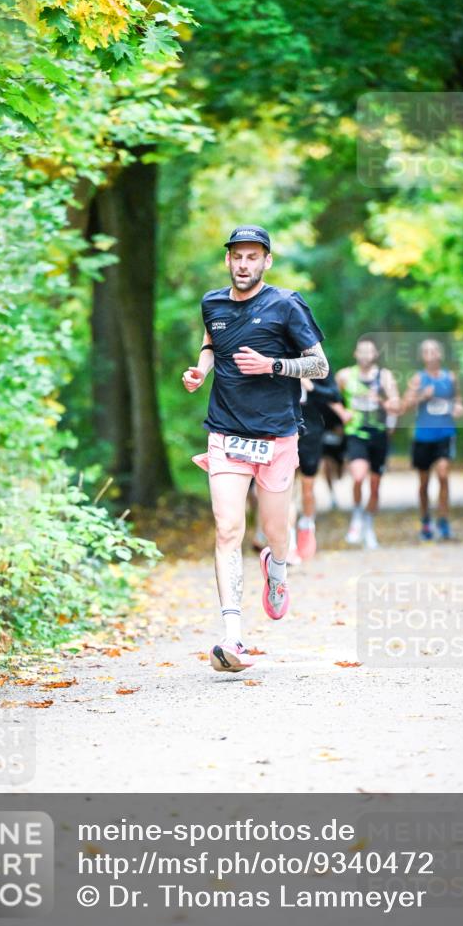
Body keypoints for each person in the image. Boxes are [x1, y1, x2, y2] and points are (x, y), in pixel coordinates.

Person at [182, 225, 328, 673]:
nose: (244, 264)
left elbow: (320, 365)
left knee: (274, 532)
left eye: (253, 257)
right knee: (228, 531)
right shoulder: (213, 303)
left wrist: (273, 365)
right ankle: (232, 638)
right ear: (228, 260)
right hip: (225, 433)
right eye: (237, 257)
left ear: (267, 261)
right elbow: (212, 342)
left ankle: (276, 568)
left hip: (277, 435)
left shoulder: (286, 304)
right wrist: (201, 370)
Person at [334, 338, 400, 550]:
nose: (365, 355)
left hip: (378, 434)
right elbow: (332, 397)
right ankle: (357, 517)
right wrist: (341, 414)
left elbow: (396, 404)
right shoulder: (345, 376)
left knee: (374, 484)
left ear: (375, 355)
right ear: (355, 354)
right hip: (355, 433)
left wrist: (380, 400)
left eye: (369, 351)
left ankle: (369, 526)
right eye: (361, 351)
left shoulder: (385, 377)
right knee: (358, 476)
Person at [403, 338, 463, 540]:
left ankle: (444, 520)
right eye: (427, 351)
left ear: (440, 354)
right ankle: (425, 521)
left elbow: (459, 402)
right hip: (423, 436)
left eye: (434, 351)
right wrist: (421, 396)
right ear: (423, 356)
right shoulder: (418, 379)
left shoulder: (451, 377)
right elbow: (406, 405)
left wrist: (458, 408)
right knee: (423, 483)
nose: (431, 354)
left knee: (443, 474)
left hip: (445, 433)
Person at [295, 372, 344, 559]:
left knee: (307, 487)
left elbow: (334, 395)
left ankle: (307, 527)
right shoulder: (275, 355)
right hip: (280, 430)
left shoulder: (315, 360)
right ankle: (287, 540)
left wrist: (311, 387)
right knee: (283, 488)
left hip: (310, 432)